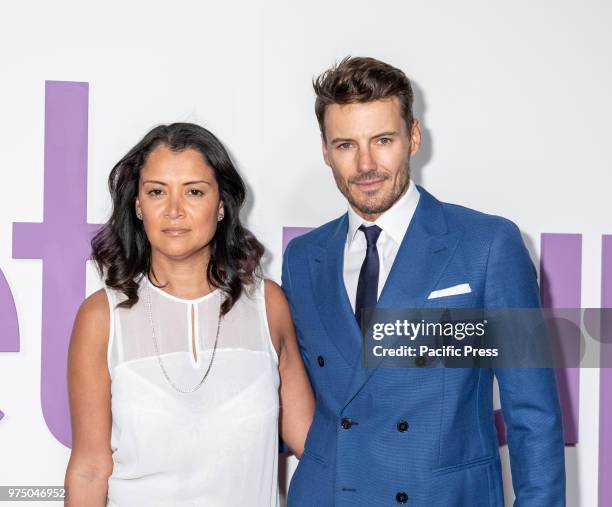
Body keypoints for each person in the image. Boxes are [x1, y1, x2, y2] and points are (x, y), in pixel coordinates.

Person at [282, 57, 565, 506]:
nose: (366, 164)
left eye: (383, 140)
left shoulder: (487, 245)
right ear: (324, 150)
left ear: (413, 137)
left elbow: (533, 414)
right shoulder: (303, 258)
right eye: (345, 145)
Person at [64, 123, 314, 507]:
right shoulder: (101, 316)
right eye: (156, 192)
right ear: (137, 205)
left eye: (194, 191)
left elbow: (312, 444)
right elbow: (89, 470)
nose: (174, 210)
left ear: (221, 205)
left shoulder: (267, 304)